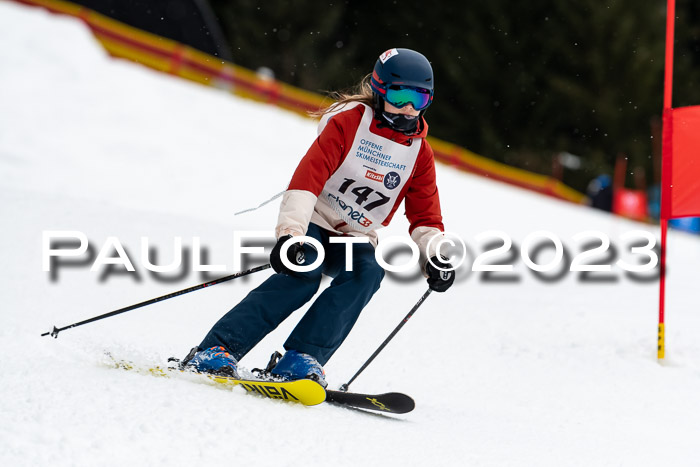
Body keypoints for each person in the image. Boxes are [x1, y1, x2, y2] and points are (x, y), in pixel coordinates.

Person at [182, 48, 455, 387]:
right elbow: (307, 180)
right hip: (314, 220)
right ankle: (217, 349)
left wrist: (436, 257)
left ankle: (301, 358)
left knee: (367, 272)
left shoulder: (419, 153)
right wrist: (290, 235)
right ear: (380, 89)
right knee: (302, 274)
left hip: (355, 237)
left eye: (419, 97)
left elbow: (426, 215)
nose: (408, 108)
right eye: (399, 96)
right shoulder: (348, 124)